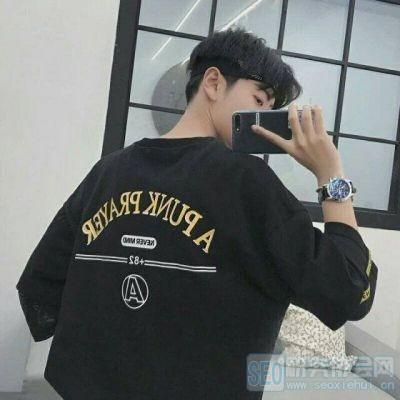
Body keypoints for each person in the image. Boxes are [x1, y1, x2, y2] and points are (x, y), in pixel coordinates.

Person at [16, 26, 377, 400]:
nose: (263, 117)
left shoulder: (107, 171)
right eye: (259, 99)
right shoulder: (245, 182)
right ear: (214, 83)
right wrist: (331, 175)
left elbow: (38, 286)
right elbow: (351, 290)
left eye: (271, 110)